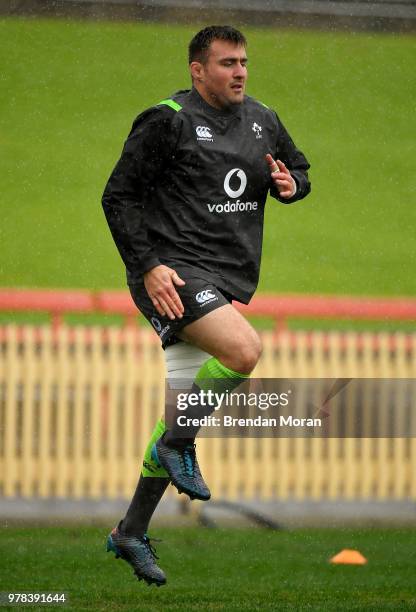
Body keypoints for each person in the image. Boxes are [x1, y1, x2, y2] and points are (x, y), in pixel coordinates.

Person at [102, 25, 311, 586]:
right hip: (171, 275)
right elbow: (117, 196)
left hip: (226, 278)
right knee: (244, 350)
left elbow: (300, 170)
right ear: (198, 70)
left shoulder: (263, 119)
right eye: (226, 63)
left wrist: (293, 185)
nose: (239, 71)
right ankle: (178, 445)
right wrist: (148, 266)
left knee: (178, 413)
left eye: (243, 61)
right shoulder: (166, 119)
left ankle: (130, 531)